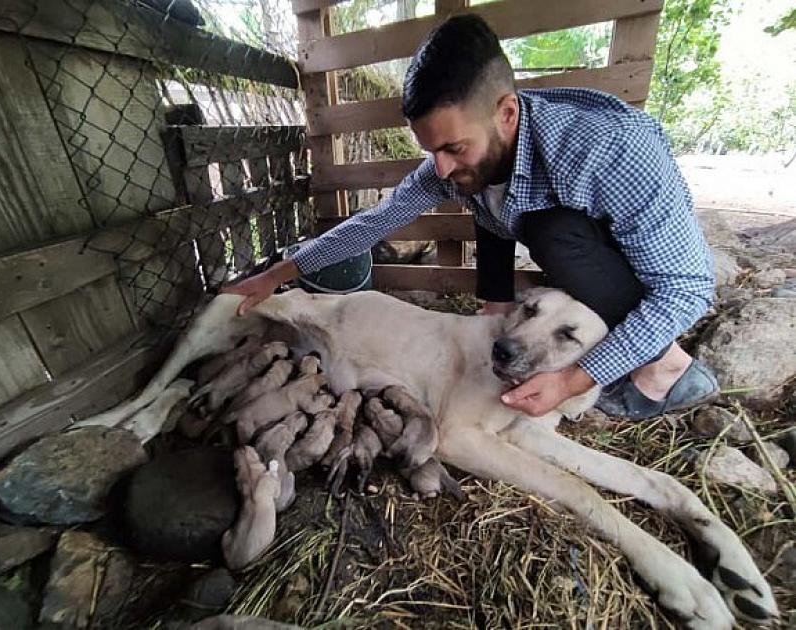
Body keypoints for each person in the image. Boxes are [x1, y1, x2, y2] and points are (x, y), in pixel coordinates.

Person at [223, 14, 719, 420]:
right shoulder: (457, 161)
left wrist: (573, 380)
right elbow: (378, 220)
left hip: (630, 271)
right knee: (485, 191)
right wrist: (277, 274)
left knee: (548, 227)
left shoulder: (607, 150)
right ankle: (506, 309)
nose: (438, 167)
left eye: (453, 147)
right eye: (430, 150)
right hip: (561, 248)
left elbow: (686, 290)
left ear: (506, 112)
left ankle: (666, 369)